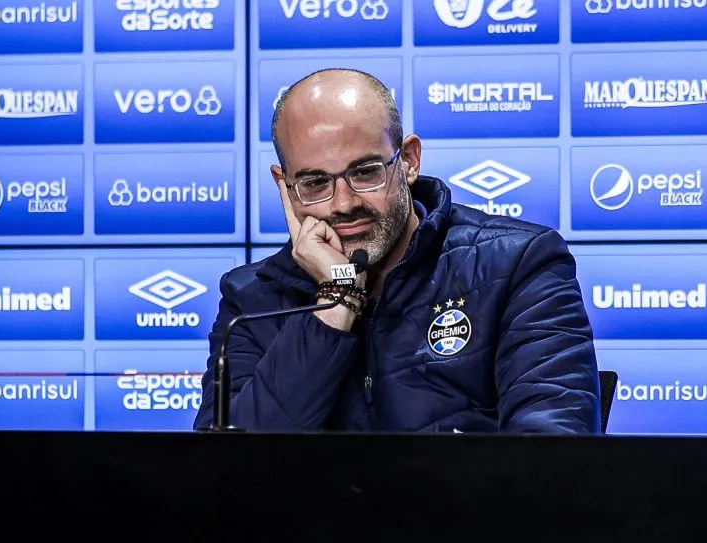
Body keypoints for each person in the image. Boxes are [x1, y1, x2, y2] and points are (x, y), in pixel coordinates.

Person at [193, 69, 600, 433]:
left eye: (365, 172)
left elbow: (553, 464)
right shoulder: (251, 297)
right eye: (315, 182)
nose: (343, 202)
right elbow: (227, 476)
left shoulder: (519, 264)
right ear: (285, 186)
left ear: (408, 160)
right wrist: (337, 300)